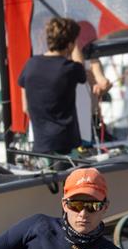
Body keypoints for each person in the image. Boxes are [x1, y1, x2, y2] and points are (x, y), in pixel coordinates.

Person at [19, 17, 88, 163]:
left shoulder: (30, 65)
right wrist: (75, 46)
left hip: (41, 147)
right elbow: (81, 70)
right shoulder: (69, 68)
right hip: (66, 147)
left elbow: (25, 107)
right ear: (70, 44)